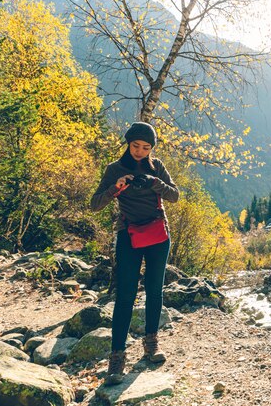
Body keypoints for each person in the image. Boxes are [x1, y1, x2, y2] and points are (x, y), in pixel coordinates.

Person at [90, 121, 179, 385]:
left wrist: (155, 183)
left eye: (146, 147)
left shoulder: (157, 166)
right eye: (136, 146)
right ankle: (116, 359)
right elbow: (95, 204)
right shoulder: (114, 169)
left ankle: (151, 345)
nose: (140, 151)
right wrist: (115, 188)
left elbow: (174, 196)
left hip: (158, 235)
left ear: (151, 148)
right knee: (125, 295)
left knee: (155, 290)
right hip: (128, 236)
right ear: (128, 143)